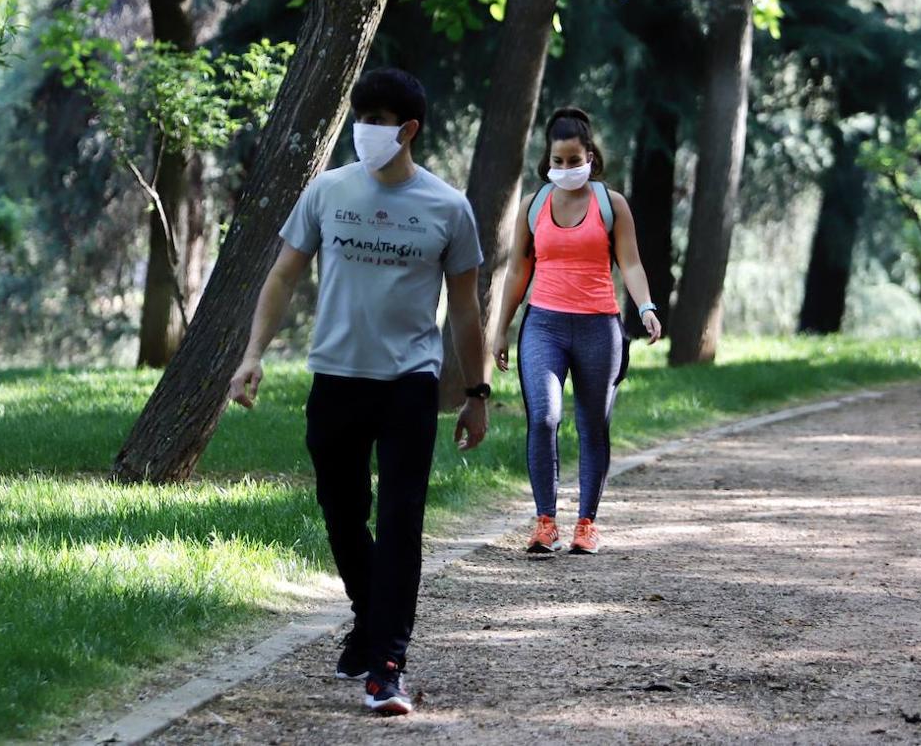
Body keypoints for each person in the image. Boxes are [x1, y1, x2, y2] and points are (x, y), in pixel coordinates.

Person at [227, 68, 490, 716]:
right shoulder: (327, 192)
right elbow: (284, 277)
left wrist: (477, 392)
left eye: (378, 120)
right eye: (360, 117)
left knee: (401, 523)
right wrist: (252, 354)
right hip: (336, 377)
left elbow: (464, 310)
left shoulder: (448, 207)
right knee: (343, 513)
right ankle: (365, 619)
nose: (365, 130)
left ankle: (387, 665)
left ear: (408, 130)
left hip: (408, 382)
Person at [491, 107, 662, 557]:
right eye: (558, 161)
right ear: (547, 161)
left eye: (574, 159)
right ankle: (545, 522)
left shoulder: (611, 204)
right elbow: (516, 273)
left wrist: (645, 306)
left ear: (591, 156)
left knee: (593, 426)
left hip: (599, 327)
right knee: (544, 418)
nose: (567, 168)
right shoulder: (534, 205)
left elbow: (631, 262)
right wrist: (501, 328)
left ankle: (586, 524)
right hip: (543, 324)